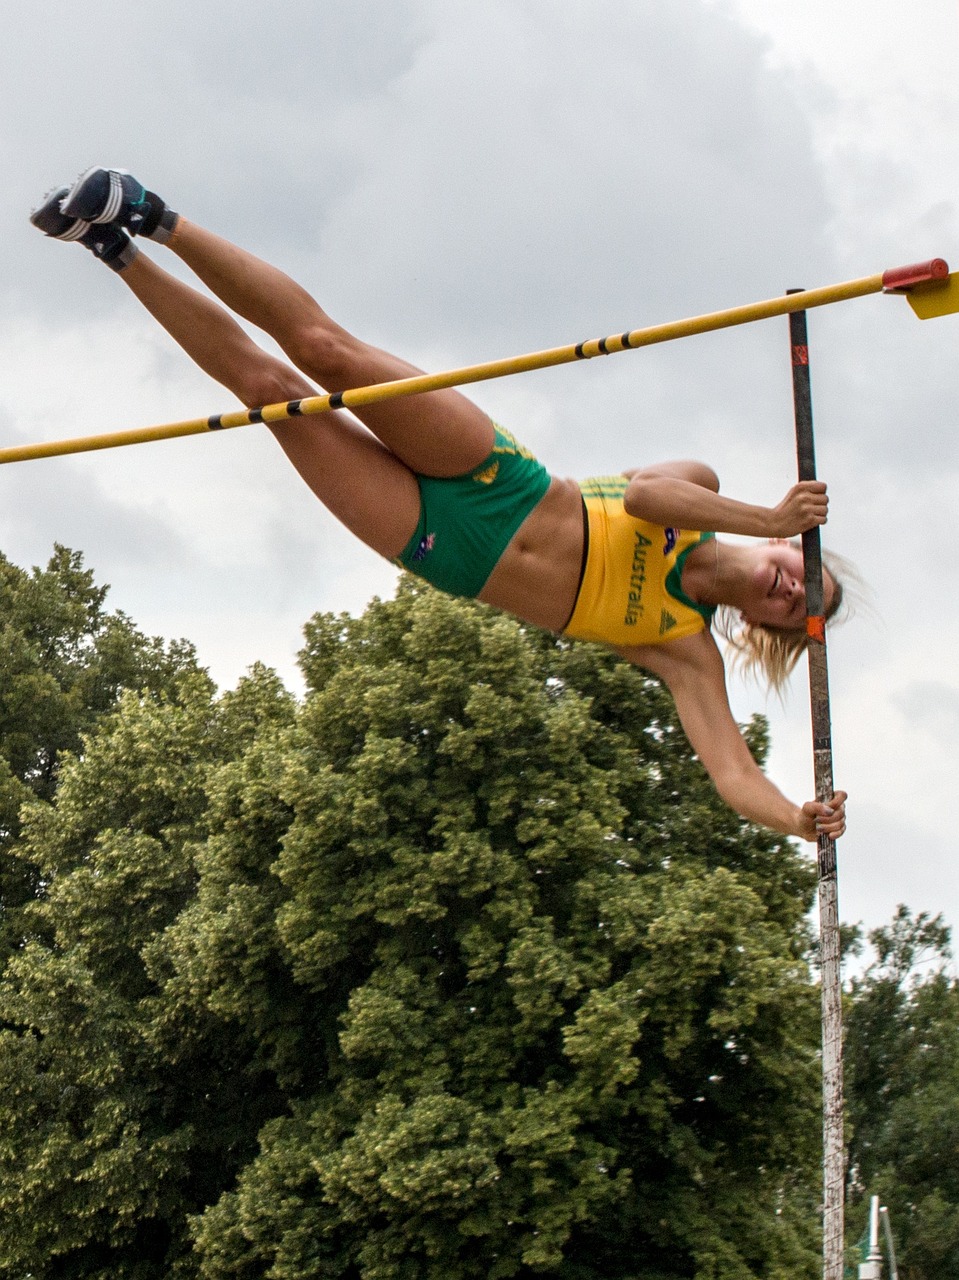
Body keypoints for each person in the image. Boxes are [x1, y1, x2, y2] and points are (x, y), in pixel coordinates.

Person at [31, 167, 847, 844]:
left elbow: (734, 776)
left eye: (801, 606)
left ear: (777, 630)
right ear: (786, 552)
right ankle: (146, 212)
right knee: (322, 350)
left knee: (271, 394)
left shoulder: (682, 650)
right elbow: (642, 494)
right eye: (800, 572)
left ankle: (109, 247)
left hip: (439, 548)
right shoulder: (702, 492)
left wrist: (797, 819)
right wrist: (769, 520)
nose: (789, 587)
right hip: (495, 478)